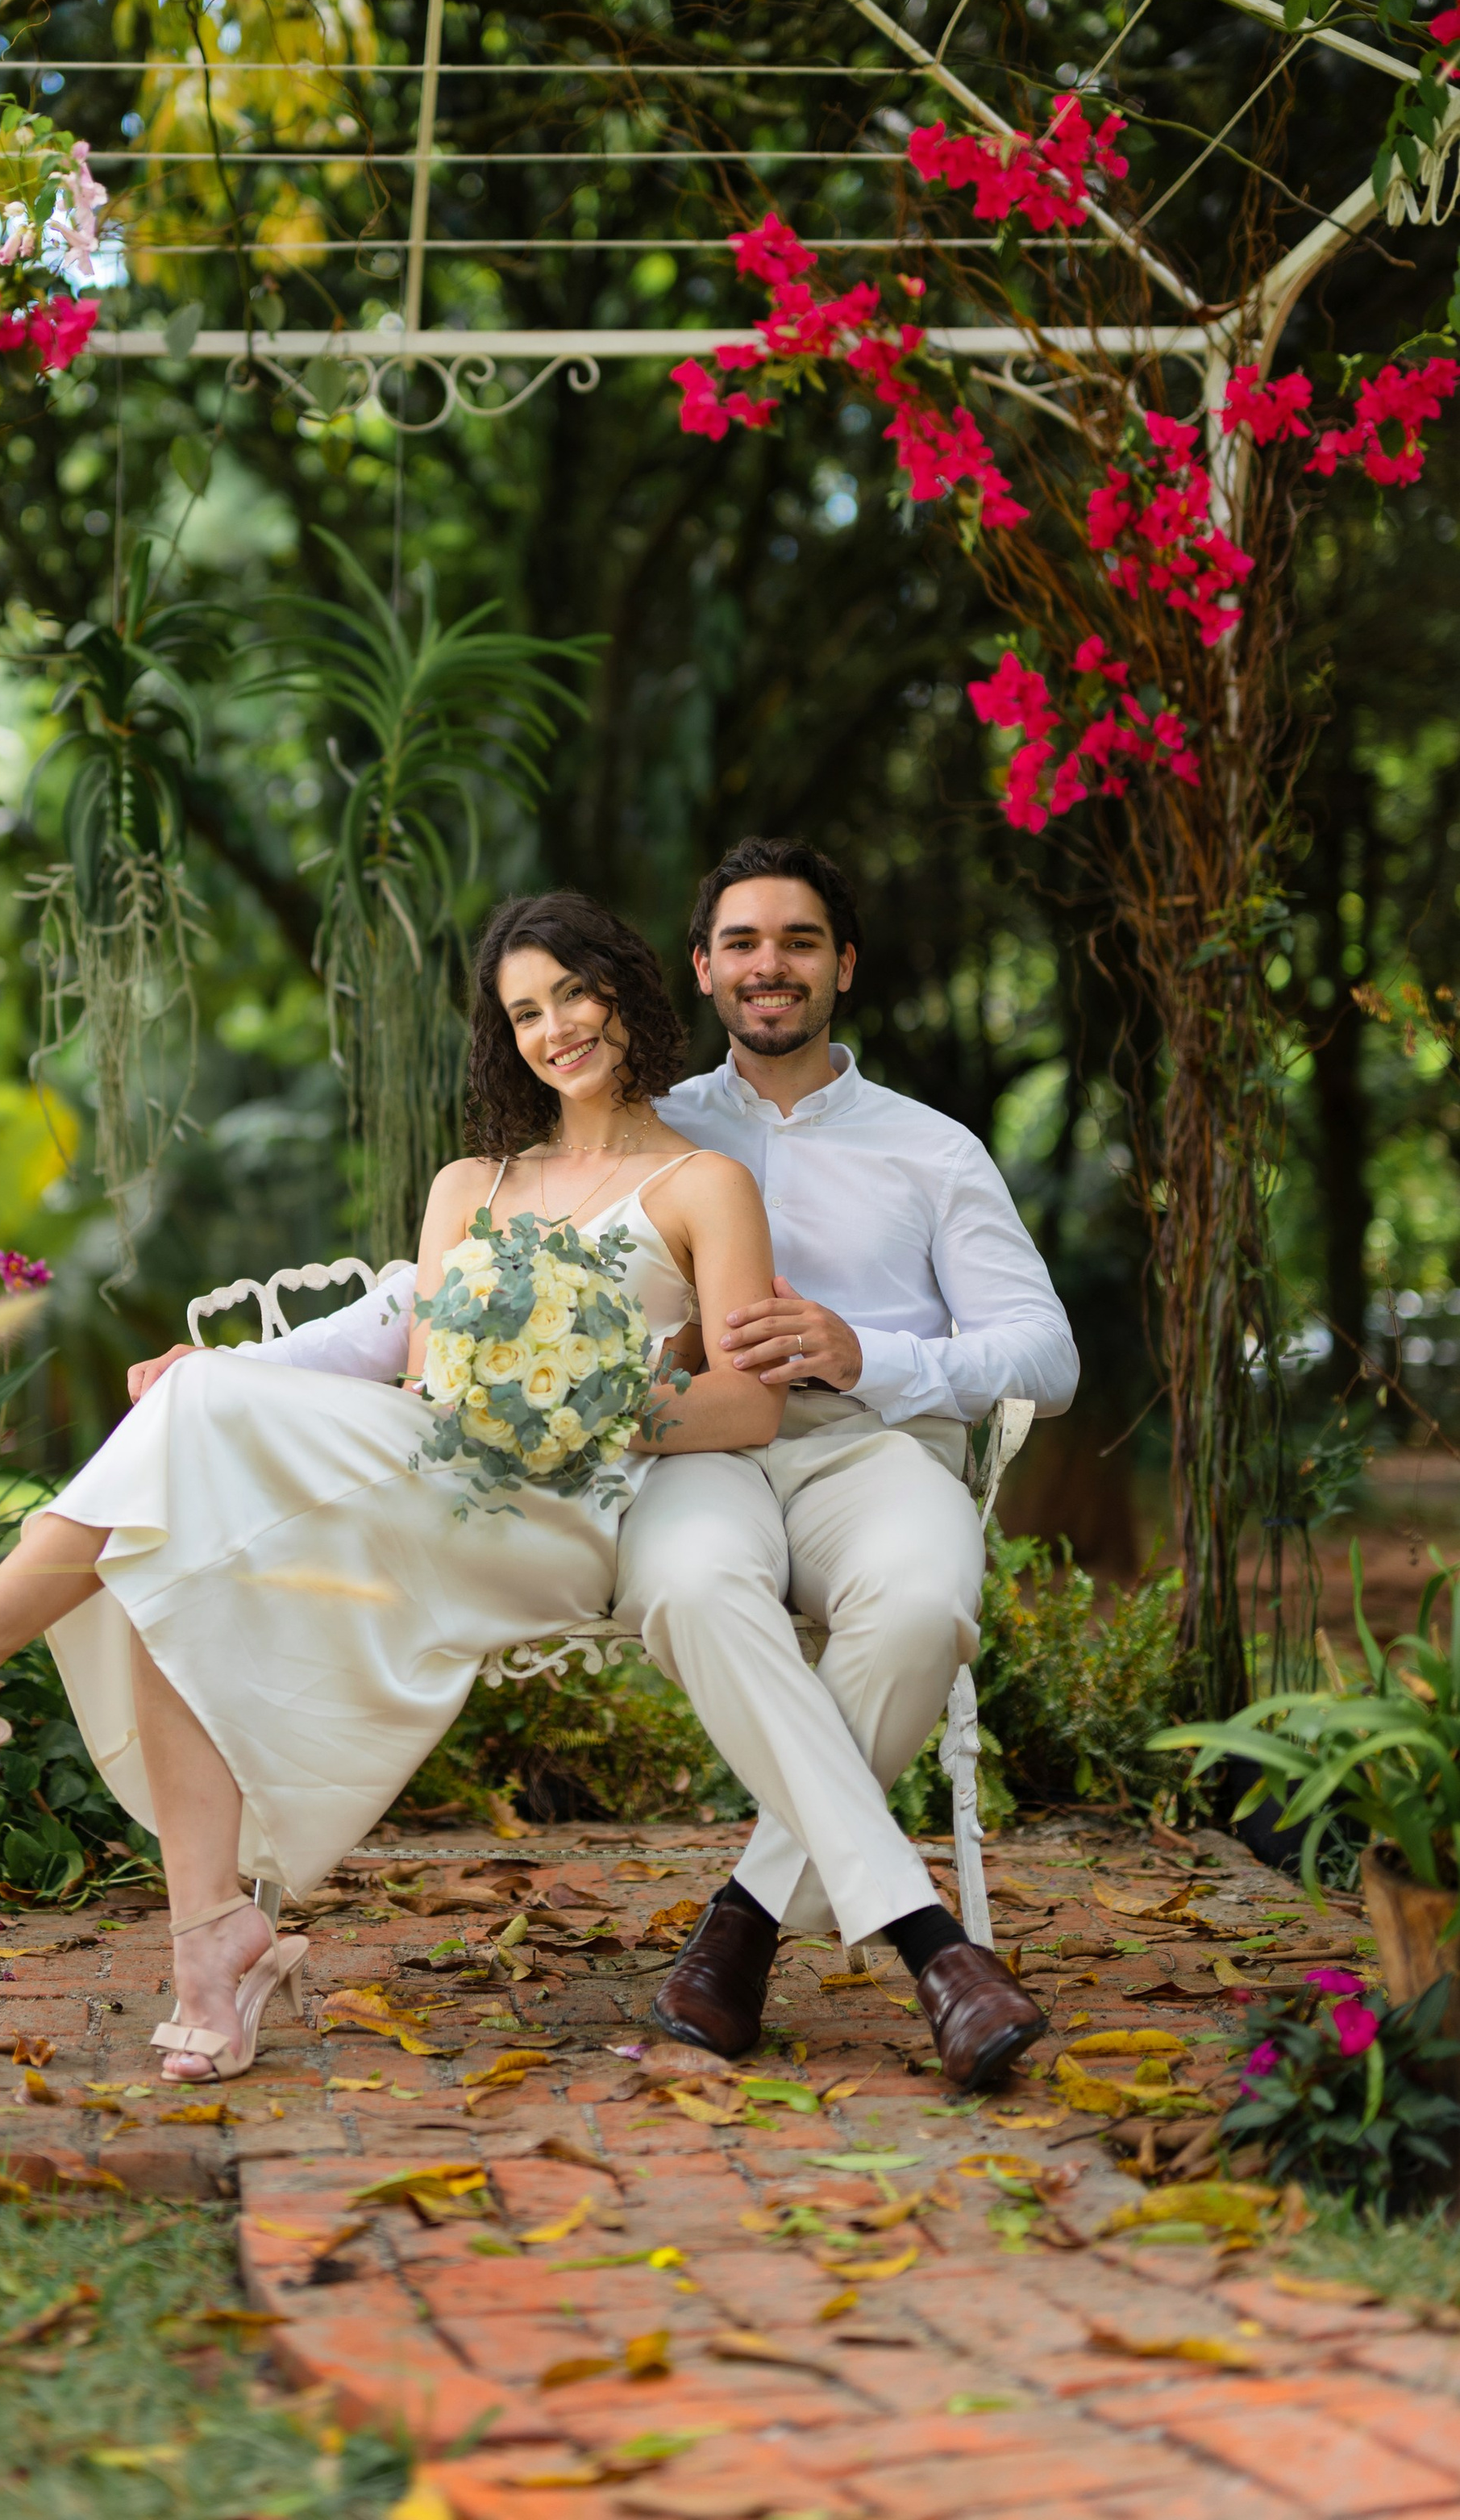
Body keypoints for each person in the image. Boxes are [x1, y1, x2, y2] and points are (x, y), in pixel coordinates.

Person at [0, 893, 809, 2084]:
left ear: (626, 988)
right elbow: (418, 1366)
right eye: (524, 1011)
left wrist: (590, 1407)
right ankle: (211, 1948)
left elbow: (749, 1401)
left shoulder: (703, 1185)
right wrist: (257, 1372)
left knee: (186, 1434)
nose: (556, 1028)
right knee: (172, 1525)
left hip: (563, 1509)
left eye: (574, 993)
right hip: (429, 1468)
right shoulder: (471, 1183)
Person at [194, 839, 1075, 2081]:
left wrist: (864, 1351)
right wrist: (242, 1369)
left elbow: (1047, 1355)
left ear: (845, 968)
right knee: (691, 1587)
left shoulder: (931, 1148)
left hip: (865, 1447)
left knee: (925, 1605)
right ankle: (930, 1945)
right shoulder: (641, 1118)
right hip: (689, 1449)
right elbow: (431, 1300)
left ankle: (745, 1928)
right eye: (745, 943)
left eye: (802, 941)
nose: (772, 965)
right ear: (703, 970)